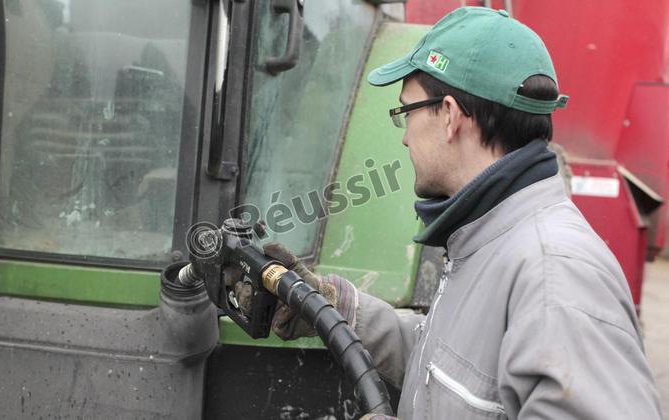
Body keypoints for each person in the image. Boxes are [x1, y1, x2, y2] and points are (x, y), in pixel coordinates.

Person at [263, 7, 662, 420]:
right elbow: (453, 365)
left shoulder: (555, 275)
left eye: (406, 111)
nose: (404, 137)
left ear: (450, 116)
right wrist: (336, 308)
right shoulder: (490, 239)